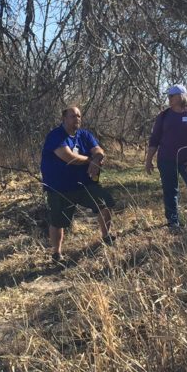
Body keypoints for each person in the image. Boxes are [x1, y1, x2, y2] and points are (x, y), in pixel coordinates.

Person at [40, 106, 117, 263]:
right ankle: (56, 253)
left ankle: (106, 236)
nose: (77, 119)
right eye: (73, 116)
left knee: (104, 203)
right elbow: (69, 157)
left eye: (79, 116)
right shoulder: (56, 136)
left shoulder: (85, 135)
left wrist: (97, 158)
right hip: (60, 187)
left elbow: (98, 149)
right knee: (58, 221)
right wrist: (91, 160)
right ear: (64, 118)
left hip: (85, 184)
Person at [145, 84, 187, 229]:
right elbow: (154, 139)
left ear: (181, 96)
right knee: (170, 191)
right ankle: (173, 222)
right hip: (167, 160)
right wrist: (149, 160)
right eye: (168, 96)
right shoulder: (164, 115)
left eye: (171, 96)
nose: (169, 98)